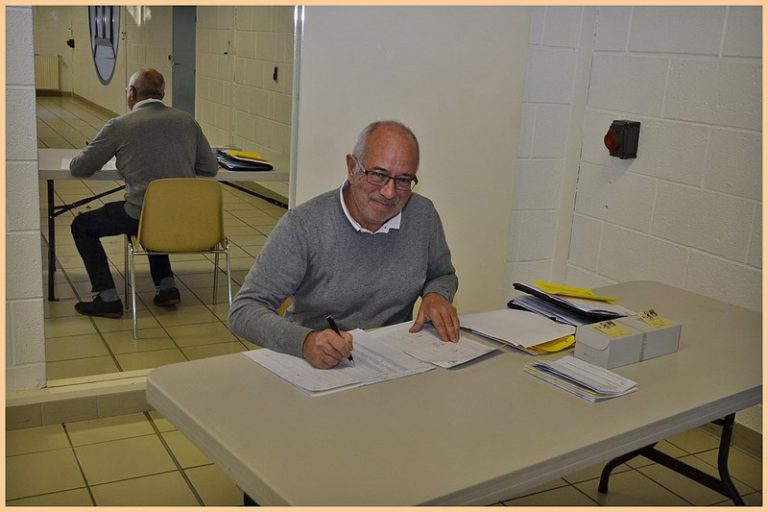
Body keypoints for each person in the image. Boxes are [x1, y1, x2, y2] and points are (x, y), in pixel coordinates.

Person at [229, 120, 460, 369]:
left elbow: (442, 274)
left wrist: (436, 295)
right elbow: (244, 310)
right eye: (378, 175)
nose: (389, 192)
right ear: (352, 167)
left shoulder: (422, 215)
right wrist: (305, 341)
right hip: (318, 365)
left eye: (403, 180)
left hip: (395, 358)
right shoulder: (303, 225)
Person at [69, 68, 218, 318]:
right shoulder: (187, 121)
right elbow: (209, 168)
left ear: (132, 93)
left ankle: (107, 297)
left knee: (83, 225)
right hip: (184, 215)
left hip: (141, 215)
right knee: (155, 217)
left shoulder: (120, 125)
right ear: (162, 94)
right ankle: (167, 286)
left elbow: (80, 168)